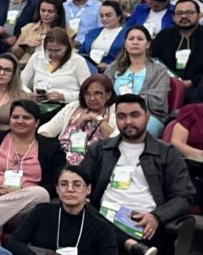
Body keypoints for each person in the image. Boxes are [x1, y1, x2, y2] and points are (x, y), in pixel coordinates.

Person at [78, 94, 196, 255]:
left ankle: (128, 243)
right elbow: (80, 180)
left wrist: (157, 216)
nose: (128, 122)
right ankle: (130, 245)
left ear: (148, 117)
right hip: (104, 215)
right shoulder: (101, 149)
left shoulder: (167, 153)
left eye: (135, 115)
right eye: (121, 116)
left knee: (98, 231)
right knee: (79, 208)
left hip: (143, 223)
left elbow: (184, 196)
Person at [0, 100, 65, 238]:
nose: (20, 121)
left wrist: (17, 193)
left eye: (26, 118)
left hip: (25, 203)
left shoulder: (51, 146)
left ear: (36, 122)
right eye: (15, 117)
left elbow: (57, 182)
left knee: (41, 194)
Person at [8, 165, 120, 255]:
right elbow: (14, 243)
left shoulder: (102, 228)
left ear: (88, 189)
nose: (70, 189)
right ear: (57, 189)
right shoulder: (41, 212)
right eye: (64, 184)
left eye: (77, 185)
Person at [104, 27, 171, 137]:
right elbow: (103, 93)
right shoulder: (112, 68)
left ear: (148, 44)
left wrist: (129, 101)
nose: (135, 42)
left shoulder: (159, 70)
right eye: (131, 39)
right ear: (125, 44)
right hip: (114, 113)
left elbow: (159, 100)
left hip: (149, 115)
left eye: (140, 39)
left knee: (131, 131)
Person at [39, 74, 118, 165]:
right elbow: (46, 130)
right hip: (62, 161)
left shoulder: (115, 111)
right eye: (87, 94)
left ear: (108, 95)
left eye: (97, 93)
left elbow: (116, 140)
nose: (92, 98)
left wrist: (95, 118)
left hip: (95, 163)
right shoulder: (73, 107)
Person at [20, 28, 91, 104]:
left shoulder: (78, 61)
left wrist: (64, 96)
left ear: (66, 47)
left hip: (68, 104)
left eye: (58, 50)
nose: (53, 54)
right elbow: (20, 82)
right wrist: (29, 94)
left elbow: (88, 91)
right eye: (49, 50)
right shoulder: (36, 57)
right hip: (39, 103)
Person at [151, 0, 203, 99]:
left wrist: (192, 81)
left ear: (199, 15)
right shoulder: (164, 36)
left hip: (197, 89)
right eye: (179, 13)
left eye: (189, 13)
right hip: (165, 87)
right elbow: (152, 61)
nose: (184, 16)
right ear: (174, 17)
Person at [13, 0, 74, 65]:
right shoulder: (29, 28)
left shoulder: (67, 30)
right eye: (43, 10)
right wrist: (26, 44)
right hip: (26, 65)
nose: (45, 14)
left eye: (50, 11)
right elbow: (14, 53)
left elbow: (69, 55)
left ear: (57, 14)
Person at [79, 0, 128, 67]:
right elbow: (81, 52)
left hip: (113, 68)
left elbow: (127, 57)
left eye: (108, 16)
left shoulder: (127, 34)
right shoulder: (92, 32)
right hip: (88, 67)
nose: (104, 19)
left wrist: (109, 66)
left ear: (119, 16)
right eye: (101, 16)